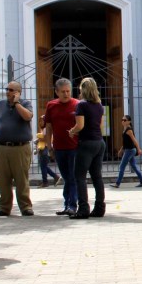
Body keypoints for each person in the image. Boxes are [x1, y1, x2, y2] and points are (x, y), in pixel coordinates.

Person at [0, 81, 34, 216]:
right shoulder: (0, 104)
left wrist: (17, 103)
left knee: (21, 179)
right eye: (7, 89)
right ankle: (4, 207)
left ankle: (25, 207)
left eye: (12, 90)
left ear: (19, 92)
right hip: (1, 147)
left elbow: (27, 116)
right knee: (2, 179)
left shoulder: (25, 104)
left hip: (20, 147)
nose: (8, 92)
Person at [68, 77, 105, 219]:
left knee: (80, 176)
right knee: (97, 176)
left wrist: (72, 131)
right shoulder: (99, 105)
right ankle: (99, 208)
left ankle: (83, 209)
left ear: (82, 89)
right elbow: (100, 125)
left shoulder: (81, 105)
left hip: (86, 143)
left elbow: (80, 125)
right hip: (99, 142)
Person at [44, 78, 79, 216]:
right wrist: (49, 146)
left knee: (73, 177)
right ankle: (67, 204)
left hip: (74, 147)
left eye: (68, 91)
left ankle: (72, 205)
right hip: (59, 148)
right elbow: (48, 127)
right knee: (66, 177)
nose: (66, 94)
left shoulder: (77, 104)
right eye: (63, 91)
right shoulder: (51, 106)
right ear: (56, 92)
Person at [111, 115, 142, 188]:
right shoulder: (125, 129)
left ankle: (117, 183)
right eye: (122, 119)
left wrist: (138, 149)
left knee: (122, 166)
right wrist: (121, 150)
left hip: (130, 150)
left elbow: (134, 140)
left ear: (129, 121)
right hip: (128, 150)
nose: (123, 121)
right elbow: (126, 142)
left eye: (125, 120)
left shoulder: (129, 130)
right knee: (134, 166)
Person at [35, 115, 61, 188]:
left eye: (42, 120)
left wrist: (39, 139)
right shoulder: (43, 129)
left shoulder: (47, 128)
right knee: (43, 166)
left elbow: (47, 138)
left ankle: (45, 181)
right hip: (42, 148)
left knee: (43, 166)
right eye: (39, 121)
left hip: (45, 148)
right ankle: (55, 177)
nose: (40, 122)